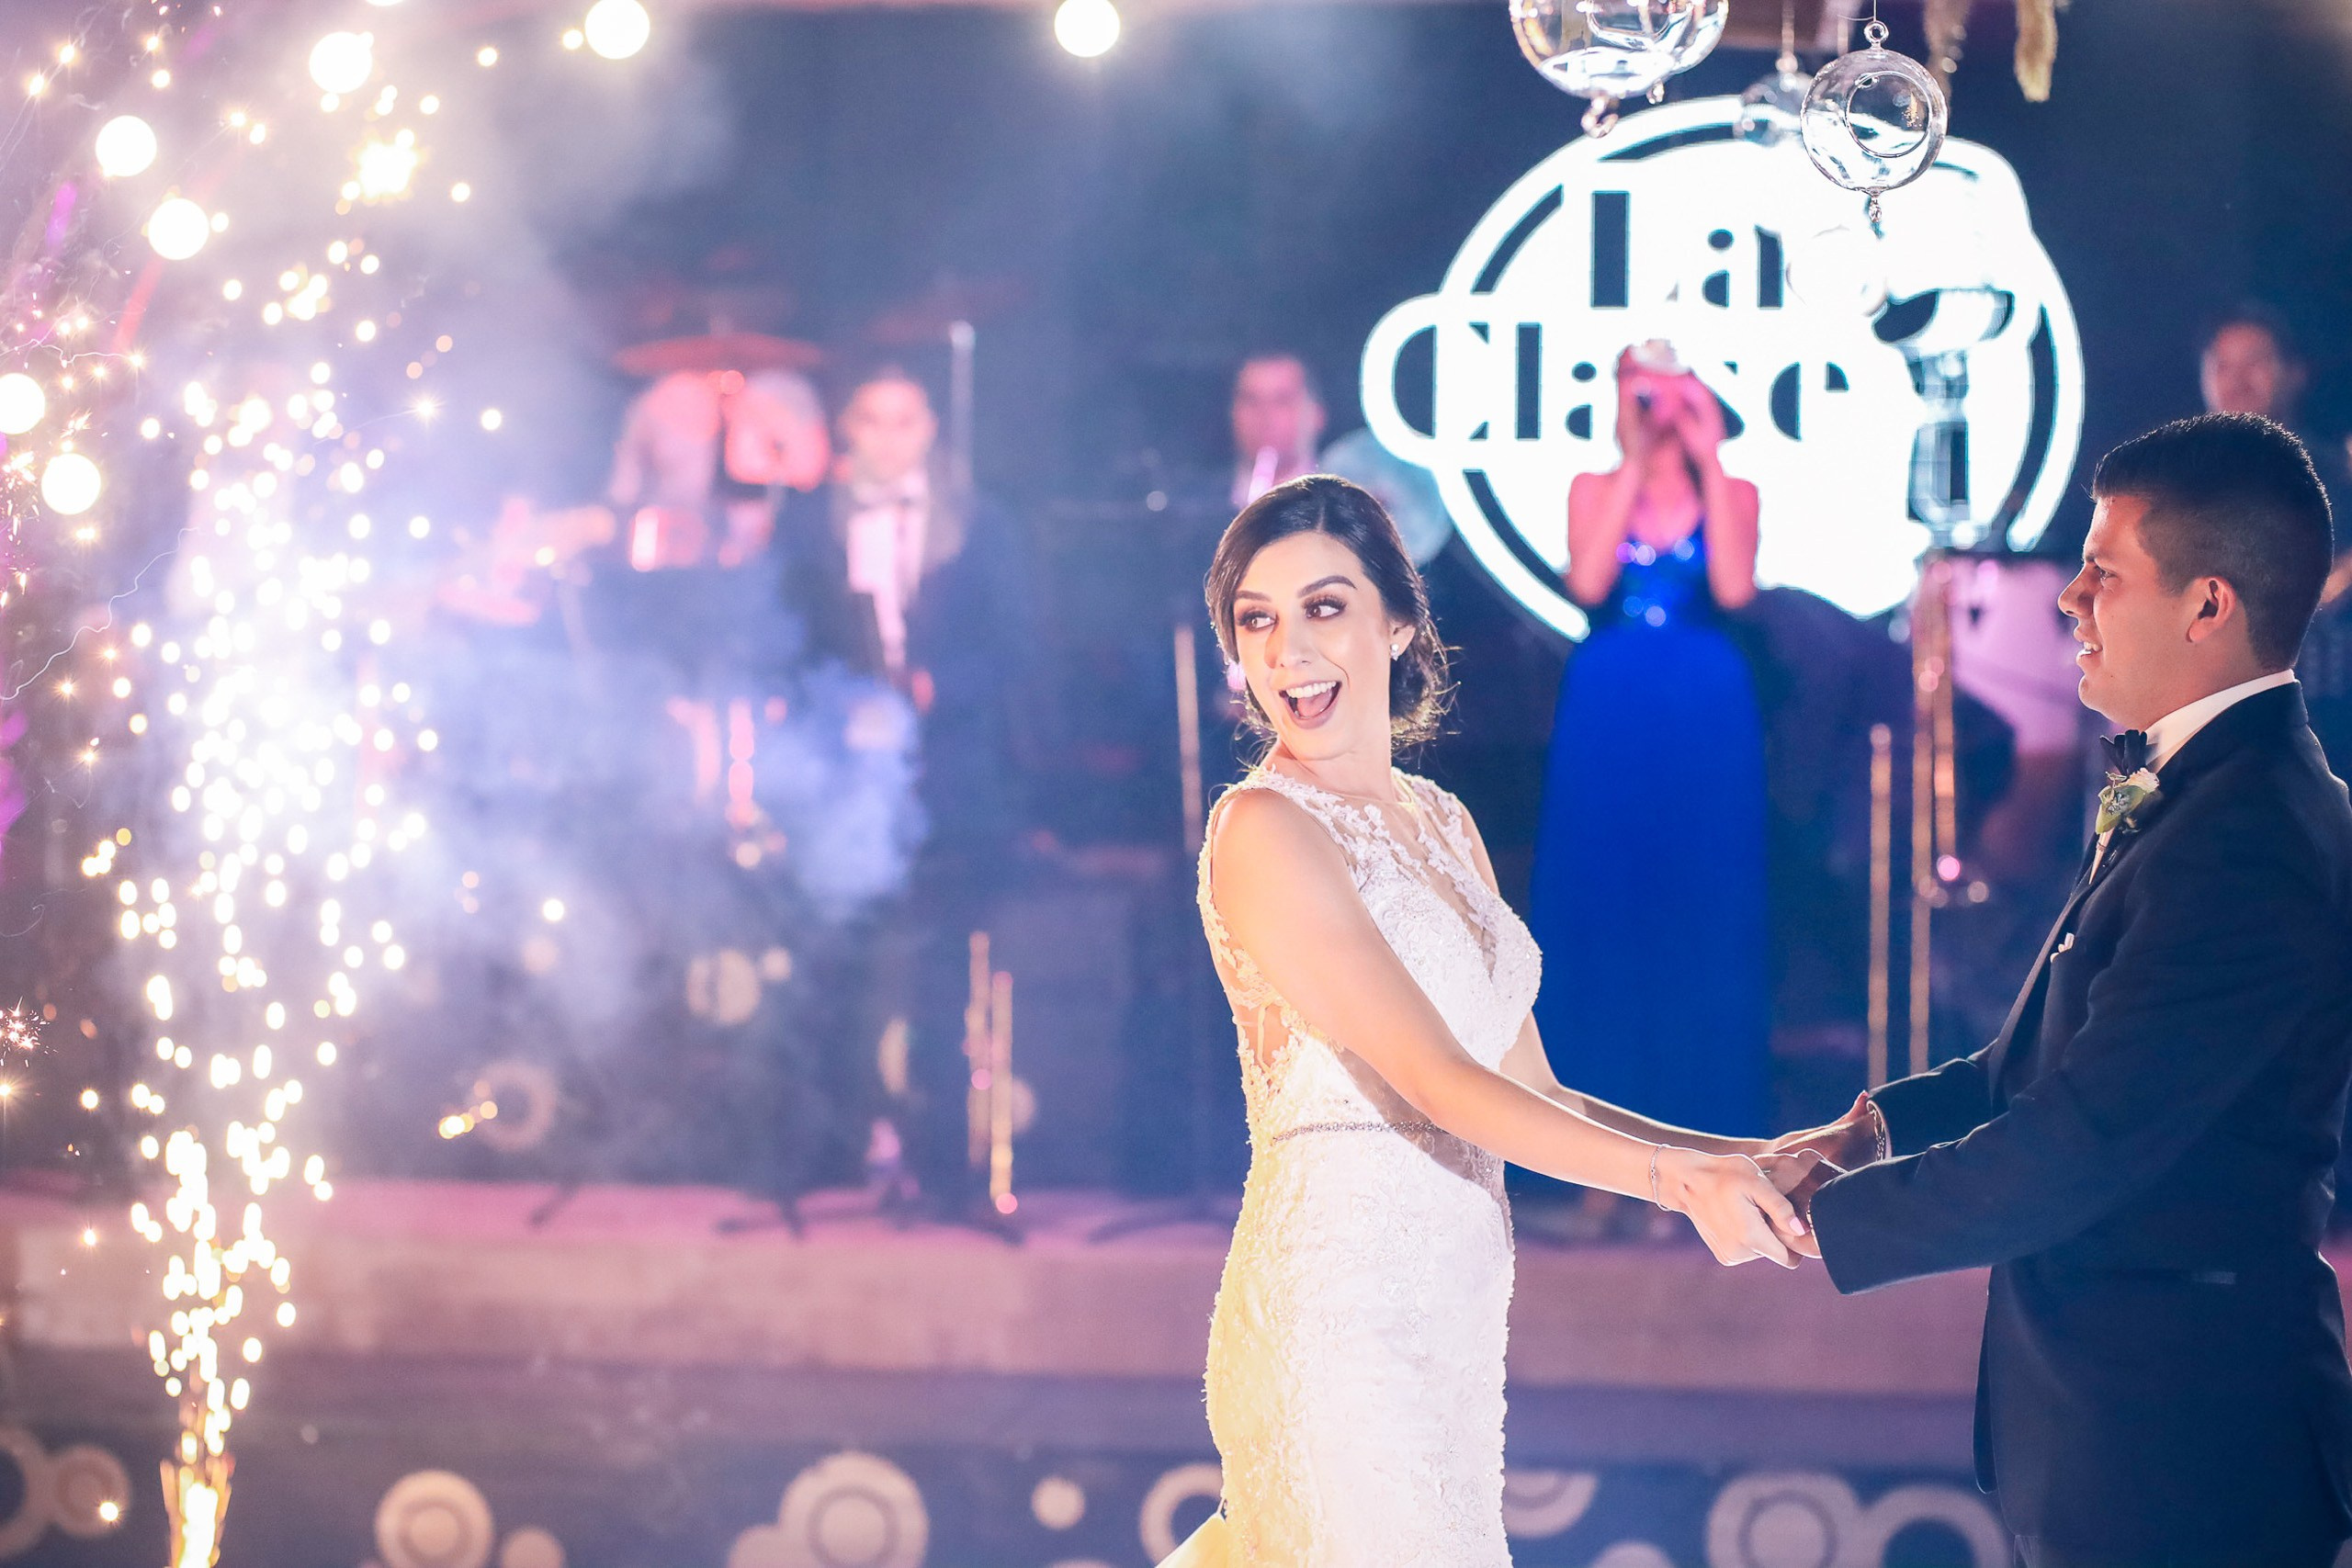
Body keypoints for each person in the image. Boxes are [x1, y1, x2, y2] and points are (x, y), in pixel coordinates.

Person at [1163, 476, 1809, 1567]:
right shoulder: (1263, 829)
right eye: (1257, 621)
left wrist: (1748, 1154)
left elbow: (1536, 1092)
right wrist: (1678, 1186)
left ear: (1397, 620)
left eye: (1323, 608)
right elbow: (1436, 1082)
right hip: (1337, 1314)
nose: (1287, 653)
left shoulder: (1442, 822)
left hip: (1452, 1318)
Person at [1778, 414, 2352, 1568]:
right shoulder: (2196, 790)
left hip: (2189, 1450)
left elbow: (2083, 1142)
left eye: (2104, 571)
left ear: (2208, 606)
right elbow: (2028, 1068)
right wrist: (1867, 1132)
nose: (2067, 599)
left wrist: (1814, 1221)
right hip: (2120, 1434)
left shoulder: (2250, 836)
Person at [1526, 344, 1772, 1187]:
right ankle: (1601, 1163)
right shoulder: (1594, 487)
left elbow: (1736, 590)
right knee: (1604, 911)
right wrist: (1635, 459)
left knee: (1700, 911)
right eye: (1640, 384)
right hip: (1613, 701)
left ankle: (1702, 1146)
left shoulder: (1732, 491)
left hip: (1704, 707)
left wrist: (1708, 454)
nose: (1658, 403)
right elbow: (1590, 581)